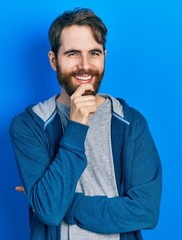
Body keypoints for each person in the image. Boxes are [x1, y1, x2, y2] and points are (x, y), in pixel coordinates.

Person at [9, 8, 162, 240]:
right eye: (72, 54)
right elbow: (50, 213)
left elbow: (146, 211)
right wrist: (77, 124)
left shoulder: (131, 123)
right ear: (53, 60)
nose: (85, 65)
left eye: (94, 53)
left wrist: (62, 203)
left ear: (104, 56)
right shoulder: (29, 125)